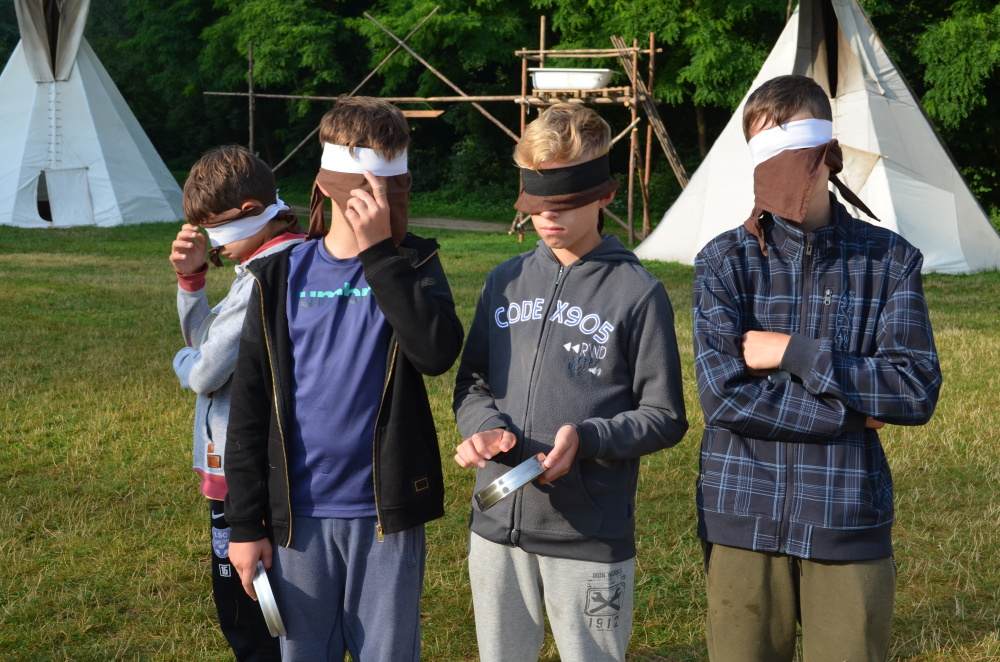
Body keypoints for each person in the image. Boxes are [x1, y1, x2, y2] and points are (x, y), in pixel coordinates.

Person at [692, 74, 943, 662]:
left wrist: (796, 354)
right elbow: (723, 398)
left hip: (845, 511)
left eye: (796, 153)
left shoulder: (888, 261)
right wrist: (853, 415)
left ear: (827, 153)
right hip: (743, 508)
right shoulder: (725, 262)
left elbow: (913, 390)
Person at [223, 97, 464, 662]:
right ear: (329, 187)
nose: (380, 203)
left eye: (391, 190)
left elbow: (436, 353)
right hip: (298, 519)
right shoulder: (278, 277)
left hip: (385, 517)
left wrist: (381, 256)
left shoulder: (413, 266)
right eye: (366, 190)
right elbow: (250, 409)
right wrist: (245, 525)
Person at [453, 103, 688, 662]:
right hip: (496, 526)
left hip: (588, 535)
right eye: (537, 205)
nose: (548, 217)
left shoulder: (638, 293)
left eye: (564, 203)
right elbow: (473, 381)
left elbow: (664, 415)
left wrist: (588, 439)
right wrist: (482, 427)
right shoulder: (504, 281)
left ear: (605, 195)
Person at [170, 144, 304, 661]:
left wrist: (182, 361)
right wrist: (191, 283)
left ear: (251, 211)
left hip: (242, 473)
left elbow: (205, 370)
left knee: (249, 615)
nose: (214, 244)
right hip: (249, 467)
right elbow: (213, 343)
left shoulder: (263, 276)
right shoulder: (267, 263)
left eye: (216, 230)